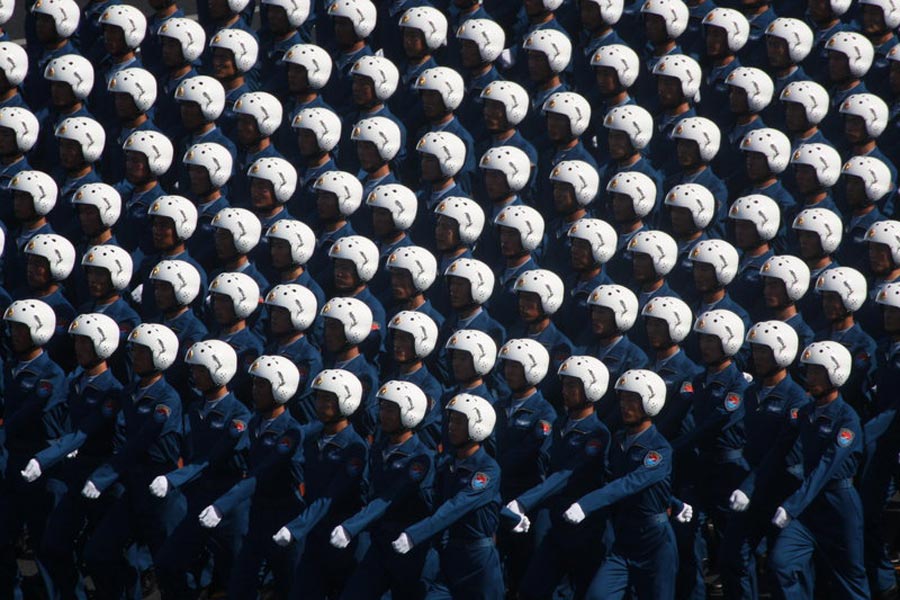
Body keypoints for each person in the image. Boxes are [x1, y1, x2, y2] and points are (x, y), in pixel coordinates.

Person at [80, 323, 186, 599]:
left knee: (168, 566)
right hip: (132, 484)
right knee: (99, 552)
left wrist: (103, 476)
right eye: (134, 352)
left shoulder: (167, 399)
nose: (134, 358)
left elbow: (141, 442)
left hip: (159, 488)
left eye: (142, 353)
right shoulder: (129, 393)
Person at [765, 341, 870, 599]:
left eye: (817, 372)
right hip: (810, 507)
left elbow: (827, 466)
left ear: (836, 373)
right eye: (809, 371)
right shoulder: (805, 412)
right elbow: (778, 451)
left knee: (851, 579)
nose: (810, 378)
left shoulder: (847, 419)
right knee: (781, 562)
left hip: (838, 506)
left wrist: (792, 506)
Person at [565, 369, 681, 600]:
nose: (625, 406)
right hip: (624, 538)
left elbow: (631, 483)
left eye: (633, 400)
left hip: (654, 541)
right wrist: (675, 503)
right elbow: (615, 478)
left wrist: (585, 505)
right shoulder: (618, 440)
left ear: (650, 402)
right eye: (623, 399)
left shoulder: (659, 449)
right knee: (598, 596)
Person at [152, 340, 252, 599]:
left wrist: (174, 479)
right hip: (198, 493)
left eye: (200, 370)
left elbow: (212, 458)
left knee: (235, 574)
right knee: (168, 562)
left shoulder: (239, 416)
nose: (194, 375)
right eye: (194, 369)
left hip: (230, 499)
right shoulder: (195, 408)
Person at [506, 355, 611, 599]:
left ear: (591, 388)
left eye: (572, 385)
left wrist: (524, 502)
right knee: (533, 589)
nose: (565, 391)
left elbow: (566, 474)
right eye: (564, 384)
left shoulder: (597, 433)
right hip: (555, 518)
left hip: (584, 525)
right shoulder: (559, 423)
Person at [201, 355, 304, 598]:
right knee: (240, 584)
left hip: (284, 516)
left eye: (262, 385)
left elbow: (261, 473)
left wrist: (221, 506)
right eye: (255, 384)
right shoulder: (255, 421)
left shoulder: (290, 432)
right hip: (258, 515)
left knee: (288, 586)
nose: (255, 390)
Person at [392, 393, 504, 600]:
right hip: (449, 553)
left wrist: (414, 535)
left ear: (477, 425)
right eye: (451, 420)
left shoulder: (487, 469)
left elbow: (457, 505)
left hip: (478, 560)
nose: (451, 426)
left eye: (459, 422)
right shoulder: (446, 463)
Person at [331, 380, 437, 599]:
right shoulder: (378, 449)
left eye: (391, 410)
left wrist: (351, 527)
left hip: (409, 548)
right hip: (380, 543)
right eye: (382, 408)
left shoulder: (421, 459)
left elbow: (389, 497)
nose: (384, 415)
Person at [273, 369, 369, 598]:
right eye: (318, 397)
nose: (320, 404)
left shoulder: (355, 448)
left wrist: (296, 528)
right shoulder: (314, 438)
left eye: (328, 398)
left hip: (342, 536)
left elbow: (331, 495)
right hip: (315, 534)